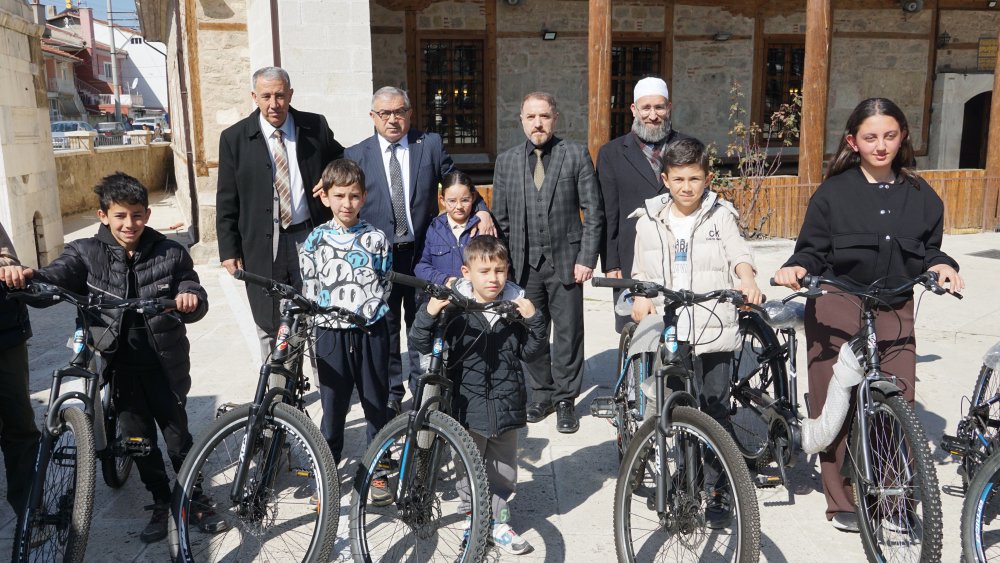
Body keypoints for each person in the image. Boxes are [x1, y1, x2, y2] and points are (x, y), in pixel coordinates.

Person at [772, 97, 964, 533]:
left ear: (903, 137)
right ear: (852, 142)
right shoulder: (832, 193)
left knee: (899, 400)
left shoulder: (922, 196)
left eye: (889, 136)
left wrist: (943, 265)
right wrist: (796, 267)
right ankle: (842, 500)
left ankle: (893, 499)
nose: (881, 145)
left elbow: (930, 249)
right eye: (871, 137)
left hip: (894, 303)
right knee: (836, 402)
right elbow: (811, 249)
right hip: (838, 300)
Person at [0, 173, 225, 543]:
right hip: (119, 366)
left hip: (164, 363)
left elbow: (190, 286)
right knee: (138, 440)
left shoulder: (170, 252)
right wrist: (28, 278)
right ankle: (160, 499)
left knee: (177, 437)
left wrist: (190, 298)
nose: (129, 224)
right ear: (103, 215)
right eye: (120, 216)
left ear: (147, 214)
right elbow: (55, 277)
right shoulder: (84, 252)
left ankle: (194, 497)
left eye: (137, 215)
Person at [628, 137, 762, 528]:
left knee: (715, 409)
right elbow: (641, 271)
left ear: (707, 178)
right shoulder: (649, 220)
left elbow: (739, 255)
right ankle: (688, 479)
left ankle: (719, 488)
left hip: (713, 323)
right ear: (666, 179)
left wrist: (747, 279)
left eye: (695, 179)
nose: (687, 187)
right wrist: (641, 296)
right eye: (679, 179)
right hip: (672, 329)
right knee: (679, 407)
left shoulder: (721, 215)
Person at [341, 86, 494, 415]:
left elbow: (455, 180)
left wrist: (481, 209)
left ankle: (421, 386)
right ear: (373, 117)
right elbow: (344, 195)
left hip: (421, 255)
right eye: (385, 113)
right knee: (385, 326)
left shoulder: (430, 145)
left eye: (399, 112)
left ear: (410, 113)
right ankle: (392, 392)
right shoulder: (356, 154)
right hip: (379, 258)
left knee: (423, 322)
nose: (392, 119)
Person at [409, 235, 546, 555]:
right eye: (484, 271)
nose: (493, 278)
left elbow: (530, 352)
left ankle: (498, 522)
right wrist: (429, 312)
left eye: (500, 270)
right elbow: (421, 343)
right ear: (466, 272)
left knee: (504, 473)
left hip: (507, 404)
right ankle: (473, 521)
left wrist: (535, 320)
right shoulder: (455, 307)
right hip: (466, 407)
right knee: (467, 470)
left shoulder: (513, 306)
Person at [491, 91, 604, 434]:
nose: (537, 123)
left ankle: (566, 397)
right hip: (523, 264)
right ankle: (542, 393)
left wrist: (587, 257)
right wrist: (503, 267)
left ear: (555, 118)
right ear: (521, 120)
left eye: (544, 116)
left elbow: (593, 211)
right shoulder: (506, 161)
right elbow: (500, 219)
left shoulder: (575, 154)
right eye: (531, 117)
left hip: (567, 261)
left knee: (569, 333)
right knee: (531, 331)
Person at [216, 66, 344, 366]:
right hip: (262, 243)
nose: (274, 104)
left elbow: (340, 157)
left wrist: (330, 177)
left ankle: (325, 380)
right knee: (269, 317)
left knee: (315, 310)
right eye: (266, 96)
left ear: (290, 94)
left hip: (308, 236)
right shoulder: (234, 138)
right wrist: (228, 250)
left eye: (280, 95)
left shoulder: (314, 126)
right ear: (254, 97)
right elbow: (226, 198)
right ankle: (276, 382)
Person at [299, 158, 393, 502]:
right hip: (330, 334)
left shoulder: (376, 239)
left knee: (375, 403)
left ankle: (378, 471)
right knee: (333, 406)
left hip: (370, 332)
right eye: (339, 196)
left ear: (364, 197)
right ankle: (327, 472)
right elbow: (310, 287)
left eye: (354, 196)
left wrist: (366, 313)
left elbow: (384, 282)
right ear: (325, 197)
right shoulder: (315, 240)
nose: (347, 203)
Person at [597, 76, 688, 332]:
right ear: (634, 109)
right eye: (645, 108)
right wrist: (611, 263)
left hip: (680, 252)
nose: (653, 115)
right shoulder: (611, 153)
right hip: (631, 255)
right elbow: (607, 212)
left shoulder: (688, 147)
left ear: (669, 108)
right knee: (636, 329)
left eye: (659, 107)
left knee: (681, 327)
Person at [0, 223, 40, 519]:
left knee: (19, 424)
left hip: (5, 334)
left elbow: (7, 258)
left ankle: (29, 512)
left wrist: (9, 268)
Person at [414, 170, 482, 287]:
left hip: (476, 294)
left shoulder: (482, 228)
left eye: (465, 200)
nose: (459, 206)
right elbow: (421, 265)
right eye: (452, 201)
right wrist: (444, 280)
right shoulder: (433, 229)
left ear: (473, 197)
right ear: (442, 200)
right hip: (443, 294)